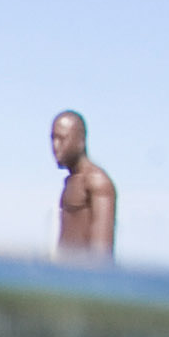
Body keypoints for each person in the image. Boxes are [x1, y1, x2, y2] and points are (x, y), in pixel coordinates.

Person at [50, 108, 116, 259]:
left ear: (80, 140)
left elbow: (101, 252)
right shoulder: (71, 181)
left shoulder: (96, 181)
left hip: (83, 278)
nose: (55, 146)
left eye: (62, 138)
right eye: (53, 139)